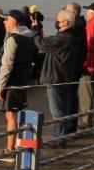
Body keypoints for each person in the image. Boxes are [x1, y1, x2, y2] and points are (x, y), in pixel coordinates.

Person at [34, 10, 83, 138]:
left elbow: (42, 44)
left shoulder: (62, 38)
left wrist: (35, 31)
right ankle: (63, 134)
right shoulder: (73, 36)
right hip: (64, 76)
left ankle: (59, 137)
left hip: (55, 77)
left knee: (57, 110)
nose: (57, 22)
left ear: (65, 23)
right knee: (63, 107)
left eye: (59, 20)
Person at [0, 9, 36, 158]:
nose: (4, 22)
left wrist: (0, 86)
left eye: (6, 19)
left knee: (11, 117)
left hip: (12, 83)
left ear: (14, 21)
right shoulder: (29, 37)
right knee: (18, 115)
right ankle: (17, 146)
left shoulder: (13, 39)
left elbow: (6, 65)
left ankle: (10, 150)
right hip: (23, 80)